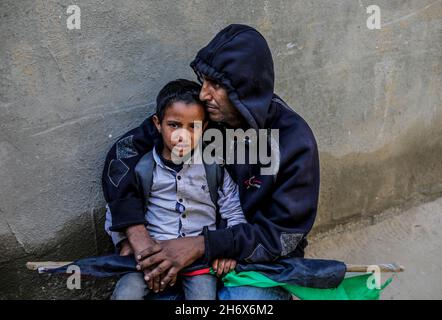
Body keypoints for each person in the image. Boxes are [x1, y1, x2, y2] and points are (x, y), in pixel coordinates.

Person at [102, 24, 320, 300]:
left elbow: (285, 235)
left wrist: (208, 245)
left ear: (245, 89)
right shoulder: (202, 120)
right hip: (191, 256)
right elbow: (122, 155)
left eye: (216, 85)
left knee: (243, 302)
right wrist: (135, 233)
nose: (204, 94)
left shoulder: (293, 141)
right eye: (204, 80)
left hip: (254, 264)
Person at [104, 79, 247, 300]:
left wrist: (226, 248)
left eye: (194, 127)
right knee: (126, 294)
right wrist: (125, 243)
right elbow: (116, 206)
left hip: (199, 258)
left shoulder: (214, 167)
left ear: (205, 128)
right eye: (174, 125)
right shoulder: (142, 168)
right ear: (157, 124)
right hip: (152, 256)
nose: (183, 135)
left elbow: (233, 209)